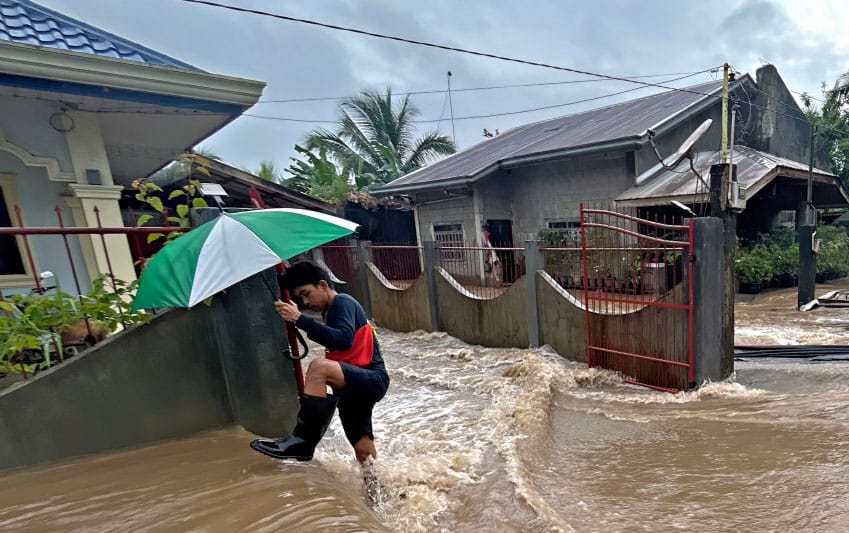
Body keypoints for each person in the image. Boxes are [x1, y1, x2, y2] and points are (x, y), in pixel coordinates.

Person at [250, 261, 389, 464]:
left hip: (371, 378)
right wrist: (297, 317)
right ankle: (377, 492)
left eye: (307, 293)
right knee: (363, 452)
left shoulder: (343, 301)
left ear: (323, 285)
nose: (306, 301)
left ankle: (303, 441)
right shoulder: (330, 311)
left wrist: (300, 319)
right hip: (352, 386)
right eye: (301, 297)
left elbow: (343, 339)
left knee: (318, 367)